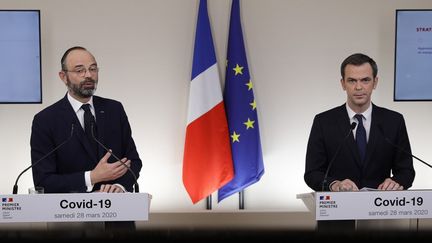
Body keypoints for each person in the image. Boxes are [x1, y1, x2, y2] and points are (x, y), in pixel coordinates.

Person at [30, 46, 142, 231]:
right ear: (63, 76)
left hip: (118, 222)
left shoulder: (115, 109)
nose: (88, 75)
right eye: (80, 70)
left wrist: (121, 186)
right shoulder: (45, 120)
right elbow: (43, 181)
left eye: (93, 68)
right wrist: (91, 177)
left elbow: (134, 161)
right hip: (70, 226)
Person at [304, 53, 415, 231]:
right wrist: (335, 184)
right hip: (336, 222)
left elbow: (407, 171)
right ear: (342, 84)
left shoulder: (394, 121)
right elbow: (312, 172)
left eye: (365, 80)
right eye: (351, 81)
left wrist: (396, 182)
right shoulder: (323, 121)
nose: (358, 87)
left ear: (375, 82)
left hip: (382, 221)